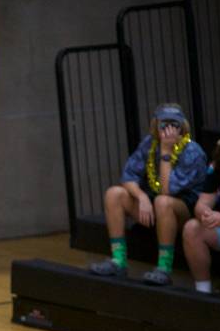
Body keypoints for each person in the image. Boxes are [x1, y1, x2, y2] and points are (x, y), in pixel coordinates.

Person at [89, 103, 207, 285]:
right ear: (155, 125)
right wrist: (142, 197)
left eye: (174, 124)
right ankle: (118, 261)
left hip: (184, 210)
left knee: (163, 201)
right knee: (114, 194)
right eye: (163, 124)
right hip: (153, 204)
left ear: (182, 127)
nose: (168, 130)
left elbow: (169, 191)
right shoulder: (149, 144)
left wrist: (166, 152)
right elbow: (128, 177)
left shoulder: (193, 152)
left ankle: (164, 268)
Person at [182, 124, 220, 298]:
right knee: (191, 227)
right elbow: (202, 203)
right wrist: (205, 214)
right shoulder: (217, 168)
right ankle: (203, 291)